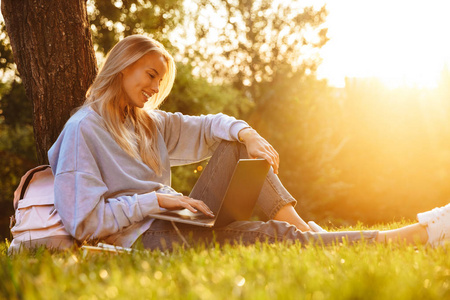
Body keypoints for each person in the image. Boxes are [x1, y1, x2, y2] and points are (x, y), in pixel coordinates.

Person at [48, 35, 449, 251]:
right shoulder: (84, 129)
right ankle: (414, 236)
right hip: (143, 236)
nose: (154, 88)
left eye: (158, 80)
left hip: (175, 217)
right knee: (271, 237)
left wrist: (248, 134)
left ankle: (306, 231)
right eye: (150, 75)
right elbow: (84, 221)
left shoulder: (146, 123)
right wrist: (155, 201)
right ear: (123, 66)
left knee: (237, 144)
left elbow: (210, 126)